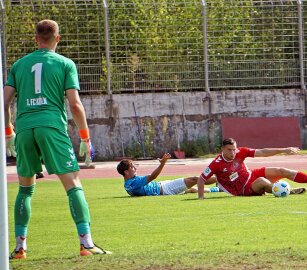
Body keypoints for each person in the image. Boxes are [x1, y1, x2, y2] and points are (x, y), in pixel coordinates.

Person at [3, 20, 111, 259]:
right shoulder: (65, 64)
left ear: (36, 39)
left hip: (24, 129)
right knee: (73, 185)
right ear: (57, 38)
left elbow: (5, 102)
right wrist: (85, 137)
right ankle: (86, 243)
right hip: (51, 127)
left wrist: (8, 131)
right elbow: (74, 104)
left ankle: (20, 248)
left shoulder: (19, 65)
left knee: (25, 189)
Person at [197, 138, 307, 199]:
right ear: (222, 149)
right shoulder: (216, 163)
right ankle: (288, 192)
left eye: (234, 149)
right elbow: (202, 179)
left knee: (281, 171)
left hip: (251, 175)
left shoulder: (241, 152)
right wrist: (201, 198)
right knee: (262, 181)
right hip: (242, 190)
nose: (233, 153)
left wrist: (284, 150)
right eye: (229, 150)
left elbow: (262, 151)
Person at [117, 153, 219, 196]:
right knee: (195, 179)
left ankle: (218, 189)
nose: (135, 168)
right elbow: (152, 177)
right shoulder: (134, 182)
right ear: (126, 172)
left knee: (192, 189)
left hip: (161, 186)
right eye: (132, 167)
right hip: (165, 189)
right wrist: (163, 163)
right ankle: (221, 179)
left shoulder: (127, 184)